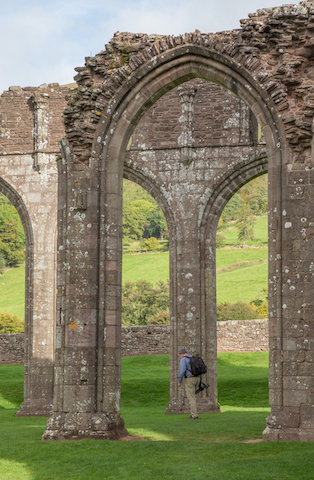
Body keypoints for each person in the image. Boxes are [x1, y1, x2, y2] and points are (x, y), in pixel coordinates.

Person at [177, 348, 199, 419]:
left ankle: (194, 415)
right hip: (197, 378)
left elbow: (182, 371)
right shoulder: (193, 358)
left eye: (179, 355)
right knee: (193, 397)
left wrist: (179, 381)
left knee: (191, 397)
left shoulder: (183, 359)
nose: (179, 357)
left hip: (190, 379)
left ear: (181, 354)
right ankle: (194, 413)